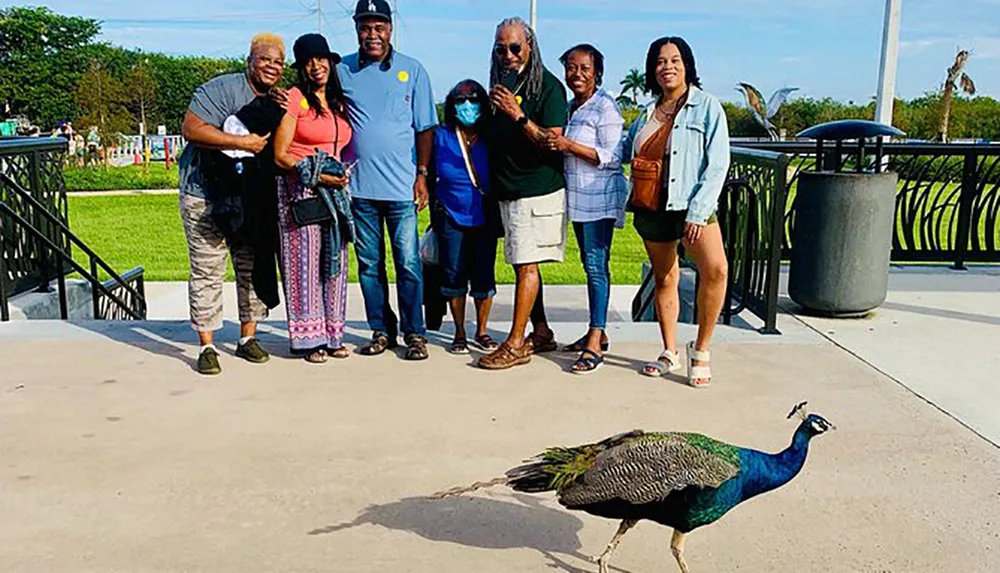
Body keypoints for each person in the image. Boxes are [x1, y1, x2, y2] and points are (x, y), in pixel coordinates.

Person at [177, 33, 289, 376]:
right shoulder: (221, 89)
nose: (271, 66)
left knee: (251, 268)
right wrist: (242, 142)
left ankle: (247, 337)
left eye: (278, 62)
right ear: (250, 60)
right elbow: (191, 129)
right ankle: (207, 345)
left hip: (250, 198)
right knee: (207, 270)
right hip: (204, 194)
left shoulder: (275, 101)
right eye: (265, 59)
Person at [622, 36, 730, 387]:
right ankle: (670, 350)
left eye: (674, 60)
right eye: (660, 62)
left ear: (687, 66)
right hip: (653, 207)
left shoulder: (707, 107)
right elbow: (624, 152)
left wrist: (698, 212)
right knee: (665, 276)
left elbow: (718, 164)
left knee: (715, 269)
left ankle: (702, 348)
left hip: (691, 206)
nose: (667, 67)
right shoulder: (645, 114)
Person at [338, 0, 437, 361]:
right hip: (359, 190)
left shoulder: (412, 70)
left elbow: (425, 128)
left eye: (379, 26)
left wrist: (422, 175)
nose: (372, 34)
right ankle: (381, 330)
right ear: (356, 29)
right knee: (369, 266)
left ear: (390, 28)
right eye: (365, 26)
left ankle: (415, 333)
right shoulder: (342, 70)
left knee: (408, 265)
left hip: (401, 190)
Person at [477, 17, 568, 371]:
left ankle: (516, 343)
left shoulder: (548, 87)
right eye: (501, 49)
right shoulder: (502, 83)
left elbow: (552, 141)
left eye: (515, 47)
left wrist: (518, 116)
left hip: (536, 190)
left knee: (527, 266)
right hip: (508, 191)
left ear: (530, 45)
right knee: (522, 263)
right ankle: (541, 331)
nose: (508, 55)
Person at [543, 44, 627, 375]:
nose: (576, 74)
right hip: (577, 202)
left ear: (597, 73)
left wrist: (569, 146)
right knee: (588, 263)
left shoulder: (605, 107)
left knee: (596, 266)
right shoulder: (570, 108)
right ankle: (599, 330)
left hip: (599, 200)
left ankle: (595, 338)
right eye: (571, 68)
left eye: (584, 68)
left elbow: (611, 156)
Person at [273, 34, 354, 364]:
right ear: (301, 68)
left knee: (334, 264)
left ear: (331, 62)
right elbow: (279, 155)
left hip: (336, 194)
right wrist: (318, 175)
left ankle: (333, 334)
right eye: (308, 61)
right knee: (303, 266)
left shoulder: (339, 103)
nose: (315, 66)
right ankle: (310, 340)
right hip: (301, 191)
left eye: (321, 58)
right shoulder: (294, 99)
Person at [428, 80, 501, 355]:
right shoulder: (441, 136)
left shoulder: (491, 137)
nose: (467, 105)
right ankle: (459, 331)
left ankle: (481, 331)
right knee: (453, 274)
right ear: (451, 105)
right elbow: (427, 169)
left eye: (473, 100)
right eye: (460, 101)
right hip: (450, 214)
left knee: (484, 275)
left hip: (484, 215)